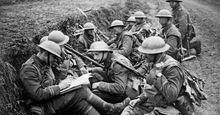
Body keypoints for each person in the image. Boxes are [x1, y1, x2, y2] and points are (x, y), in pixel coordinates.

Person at [19, 40, 130, 115]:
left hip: (48, 100)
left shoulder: (41, 64)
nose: (55, 61)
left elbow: (48, 82)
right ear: (46, 54)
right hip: (42, 107)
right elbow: (37, 95)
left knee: (81, 100)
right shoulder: (29, 68)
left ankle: (109, 109)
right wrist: (60, 87)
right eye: (54, 57)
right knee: (81, 90)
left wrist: (63, 81)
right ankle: (110, 108)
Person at [121, 36, 195, 115]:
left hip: (172, 107)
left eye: (147, 53)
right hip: (156, 102)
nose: (144, 55)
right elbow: (152, 88)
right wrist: (140, 99)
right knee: (128, 111)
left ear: (157, 54)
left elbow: (172, 96)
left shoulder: (172, 68)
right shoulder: (154, 63)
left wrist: (159, 75)